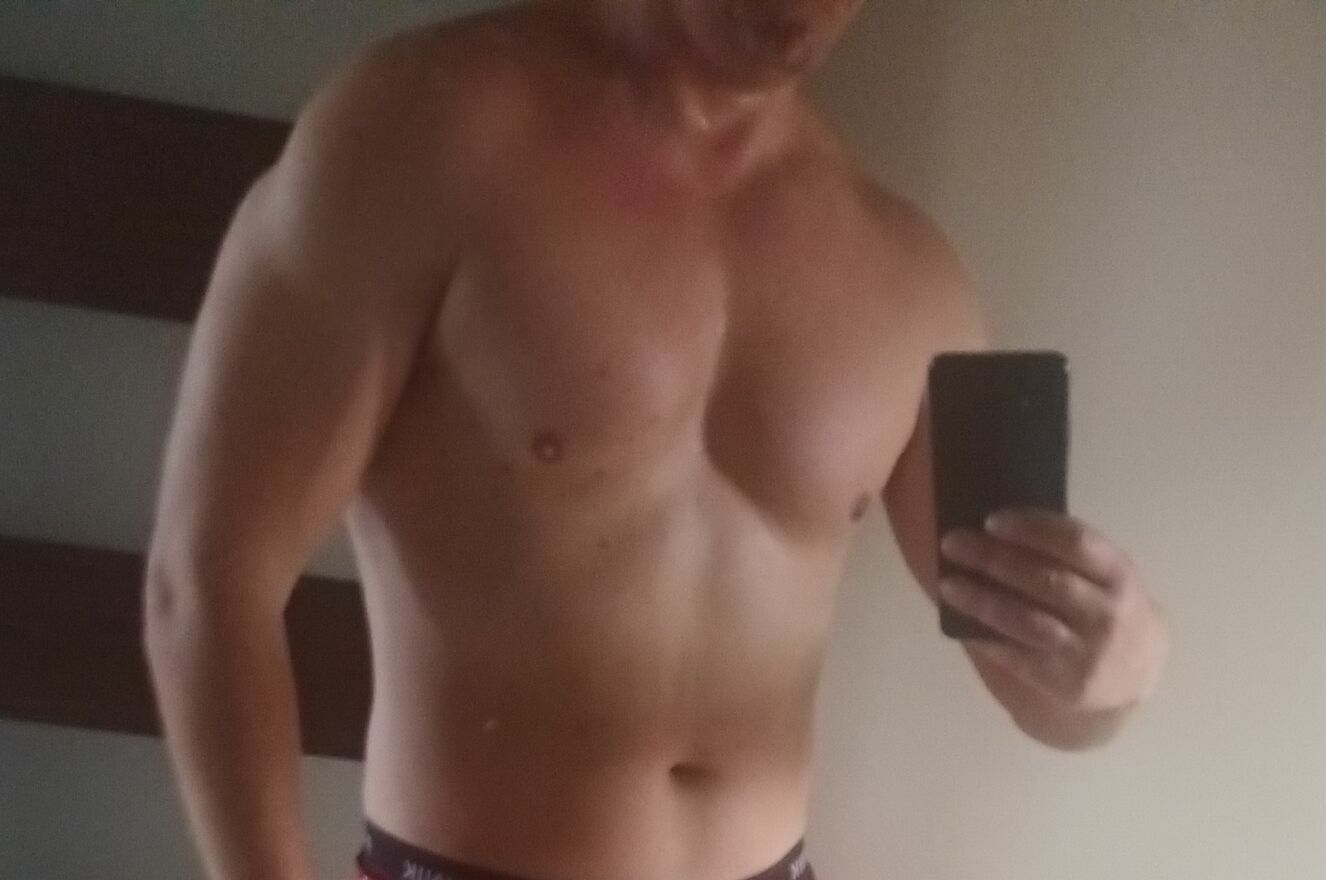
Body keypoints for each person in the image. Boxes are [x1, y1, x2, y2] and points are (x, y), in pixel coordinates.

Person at [142, 2, 1171, 879]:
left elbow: (1040, 688)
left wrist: (1115, 678)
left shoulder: (910, 274)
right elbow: (207, 581)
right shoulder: (425, 135)